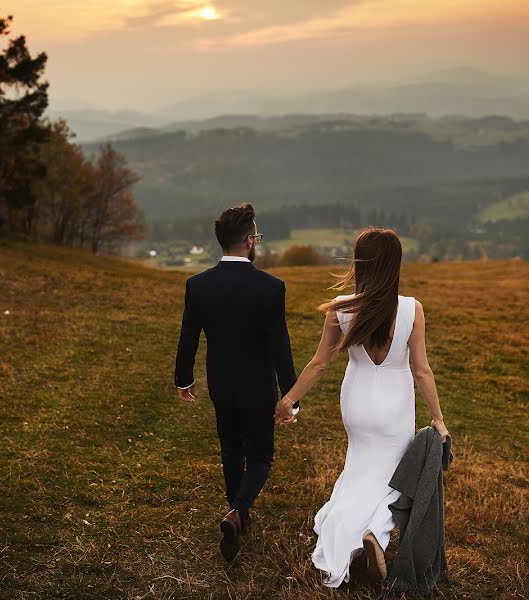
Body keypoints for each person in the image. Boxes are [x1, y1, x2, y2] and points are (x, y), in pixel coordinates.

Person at [273, 226, 450, 587]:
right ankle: (375, 533)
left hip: (356, 399)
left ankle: (346, 539)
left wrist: (288, 400)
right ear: (394, 264)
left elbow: (319, 364)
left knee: (358, 470)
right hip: (396, 402)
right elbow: (422, 370)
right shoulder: (411, 309)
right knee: (396, 477)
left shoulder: (341, 309)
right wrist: (438, 418)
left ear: (360, 263)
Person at [174, 203, 298, 562]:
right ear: (248, 241)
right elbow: (280, 345)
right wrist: (291, 396)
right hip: (258, 388)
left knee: (230, 448)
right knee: (260, 454)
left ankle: (236, 509)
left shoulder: (197, 285)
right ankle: (238, 510)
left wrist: (184, 379)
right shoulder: (270, 287)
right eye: (256, 236)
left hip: (221, 384)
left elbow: (188, 338)